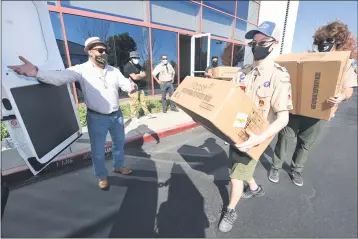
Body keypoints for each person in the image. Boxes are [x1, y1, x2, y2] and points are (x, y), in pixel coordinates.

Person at [8, 37, 136, 190]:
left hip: (116, 115)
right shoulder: (80, 70)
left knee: (119, 143)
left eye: (106, 51)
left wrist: (131, 86)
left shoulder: (114, 71)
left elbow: (126, 85)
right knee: (98, 150)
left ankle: (119, 165)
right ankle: (102, 176)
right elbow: (59, 78)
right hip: (96, 117)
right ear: (90, 52)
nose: (104, 53)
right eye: (100, 50)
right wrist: (36, 72)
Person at [218, 21, 293, 233]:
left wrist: (259, 139)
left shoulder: (279, 76)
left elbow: (283, 118)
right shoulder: (243, 72)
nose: (256, 46)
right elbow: (231, 99)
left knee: (235, 175)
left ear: (274, 43)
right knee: (237, 165)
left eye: (262, 41)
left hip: (257, 137)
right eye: (253, 42)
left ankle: (231, 209)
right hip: (237, 130)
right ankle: (254, 187)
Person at [269, 20, 358, 187]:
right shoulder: (306, 58)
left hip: (319, 111)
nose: (324, 46)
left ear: (337, 42)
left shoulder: (345, 63)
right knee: (284, 138)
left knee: (305, 143)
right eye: (321, 42)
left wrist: (341, 96)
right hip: (294, 109)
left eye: (329, 42)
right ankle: (276, 166)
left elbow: (349, 89)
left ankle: (296, 170)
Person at [123, 51, 155, 123]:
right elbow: (134, 77)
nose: (136, 59)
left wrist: (139, 75)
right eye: (135, 58)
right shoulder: (128, 66)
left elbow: (144, 73)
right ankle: (133, 116)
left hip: (140, 87)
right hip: (132, 88)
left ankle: (147, 113)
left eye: (137, 58)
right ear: (131, 58)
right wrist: (140, 75)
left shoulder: (137, 65)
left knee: (143, 101)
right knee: (134, 103)